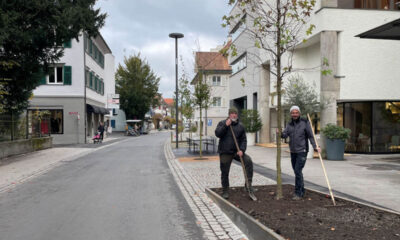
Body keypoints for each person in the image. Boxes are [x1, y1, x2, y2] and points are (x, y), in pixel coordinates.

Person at [280, 106, 321, 200]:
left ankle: (299, 193)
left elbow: (311, 136)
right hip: (293, 151)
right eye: (293, 113)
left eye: (296, 112)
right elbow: (285, 135)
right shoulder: (289, 124)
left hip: (302, 151)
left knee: (298, 171)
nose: (294, 114)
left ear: (299, 113)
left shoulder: (305, 122)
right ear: (291, 114)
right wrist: (280, 133)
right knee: (296, 171)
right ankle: (301, 190)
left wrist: (315, 146)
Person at [215, 108, 254, 199]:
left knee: (248, 161)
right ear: (229, 115)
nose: (234, 115)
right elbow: (218, 134)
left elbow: (243, 139)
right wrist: (225, 125)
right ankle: (225, 190)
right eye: (232, 113)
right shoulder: (222, 123)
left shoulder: (240, 126)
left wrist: (242, 150)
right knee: (225, 171)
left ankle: (248, 186)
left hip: (237, 152)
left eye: (235, 113)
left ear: (237, 115)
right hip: (225, 152)